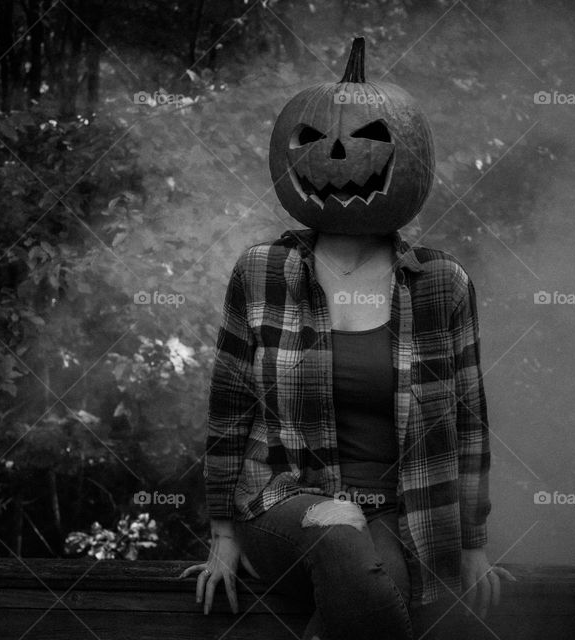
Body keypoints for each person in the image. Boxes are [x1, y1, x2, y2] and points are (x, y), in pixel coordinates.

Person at [181, 36, 510, 640]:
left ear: (406, 155)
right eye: (312, 141)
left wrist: (473, 544)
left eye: (367, 140)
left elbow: (469, 424)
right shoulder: (261, 273)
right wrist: (222, 538)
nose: (336, 153)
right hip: (285, 504)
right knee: (338, 532)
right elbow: (228, 413)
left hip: (404, 515)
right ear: (291, 153)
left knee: (362, 596)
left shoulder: (442, 285)